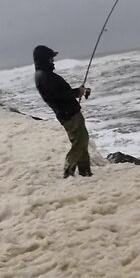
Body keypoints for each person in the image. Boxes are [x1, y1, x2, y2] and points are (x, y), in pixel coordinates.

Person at [33, 44, 94, 178]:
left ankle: (85, 172)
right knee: (81, 141)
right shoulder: (45, 77)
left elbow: (61, 93)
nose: (53, 61)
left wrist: (78, 92)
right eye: (51, 58)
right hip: (69, 114)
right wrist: (78, 91)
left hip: (66, 113)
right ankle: (69, 169)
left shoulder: (43, 75)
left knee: (81, 140)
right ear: (44, 59)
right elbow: (60, 95)